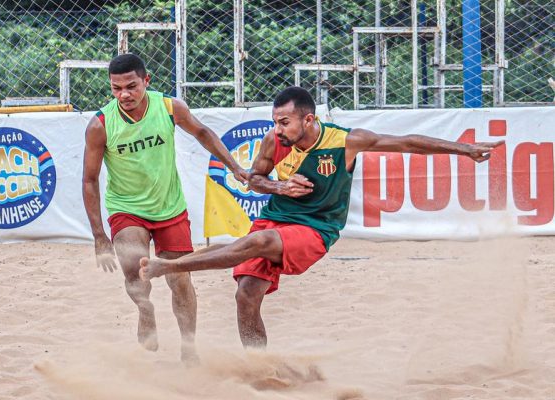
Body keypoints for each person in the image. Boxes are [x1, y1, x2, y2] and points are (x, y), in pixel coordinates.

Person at [139, 86, 504, 348]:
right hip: (276, 217)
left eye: (284, 122)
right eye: (275, 122)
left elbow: (408, 142)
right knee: (246, 295)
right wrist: (279, 188)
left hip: (316, 229)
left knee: (257, 243)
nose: (277, 129)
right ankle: (257, 368)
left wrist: (465, 149)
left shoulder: (346, 141)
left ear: (308, 119)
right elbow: (254, 180)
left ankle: (170, 267)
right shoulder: (273, 141)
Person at [82, 53, 248, 362]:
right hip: (126, 208)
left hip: (169, 207)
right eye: (116, 88)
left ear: (147, 81)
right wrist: (99, 235)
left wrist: (235, 166)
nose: (124, 95)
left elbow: (202, 133)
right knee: (135, 267)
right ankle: (145, 311)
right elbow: (89, 180)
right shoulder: (100, 124)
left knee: (180, 277)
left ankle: (189, 347)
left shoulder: (170, 107)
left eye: (131, 86)